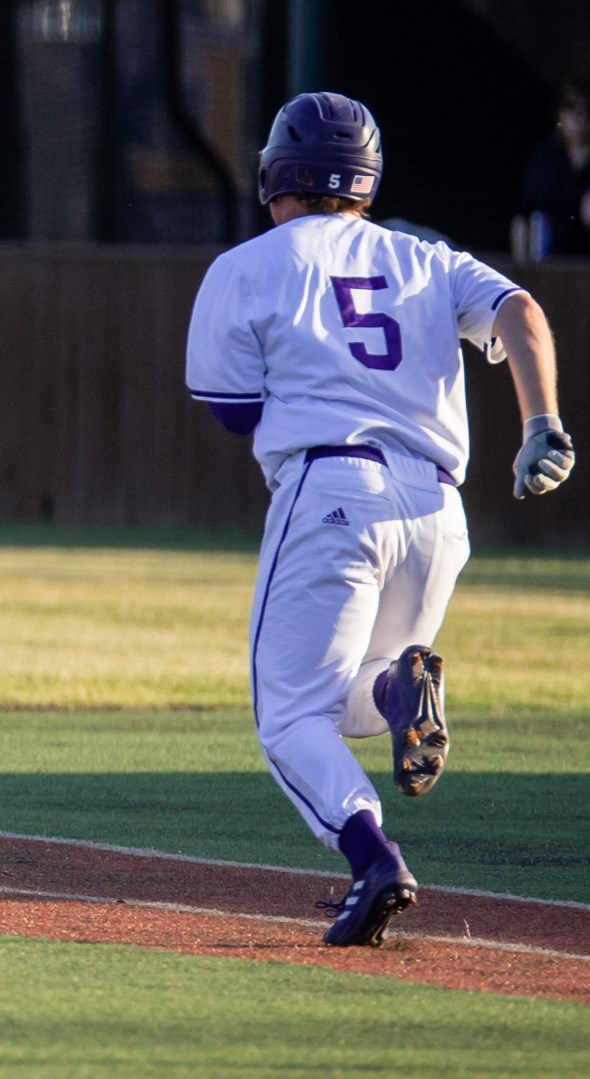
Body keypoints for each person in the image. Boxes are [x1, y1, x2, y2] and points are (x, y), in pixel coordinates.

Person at [185, 93, 576, 947]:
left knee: (288, 717)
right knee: (352, 697)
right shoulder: (424, 257)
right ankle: (404, 687)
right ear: (366, 180)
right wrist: (541, 419)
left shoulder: (247, 265)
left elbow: (230, 409)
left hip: (333, 488)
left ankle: (372, 859)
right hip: (439, 505)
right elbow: (522, 312)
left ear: (274, 176)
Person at [516, 61, 590, 259]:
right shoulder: (546, 157)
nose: (579, 118)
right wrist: (522, 267)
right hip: (547, 262)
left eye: (587, 110)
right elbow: (524, 214)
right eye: (571, 107)